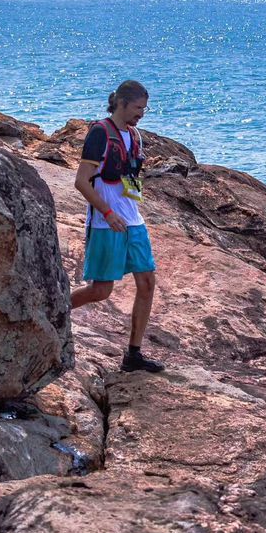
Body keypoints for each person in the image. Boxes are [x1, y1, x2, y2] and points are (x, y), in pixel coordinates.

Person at [70, 79, 165, 373]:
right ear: (121, 103)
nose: (141, 114)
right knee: (101, 290)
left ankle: (133, 355)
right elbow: (81, 181)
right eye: (137, 108)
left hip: (133, 220)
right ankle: (54, 309)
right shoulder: (100, 133)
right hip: (106, 223)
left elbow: (131, 178)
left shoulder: (134, 136)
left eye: (144, 109)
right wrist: (108, 213)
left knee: (147, 282)